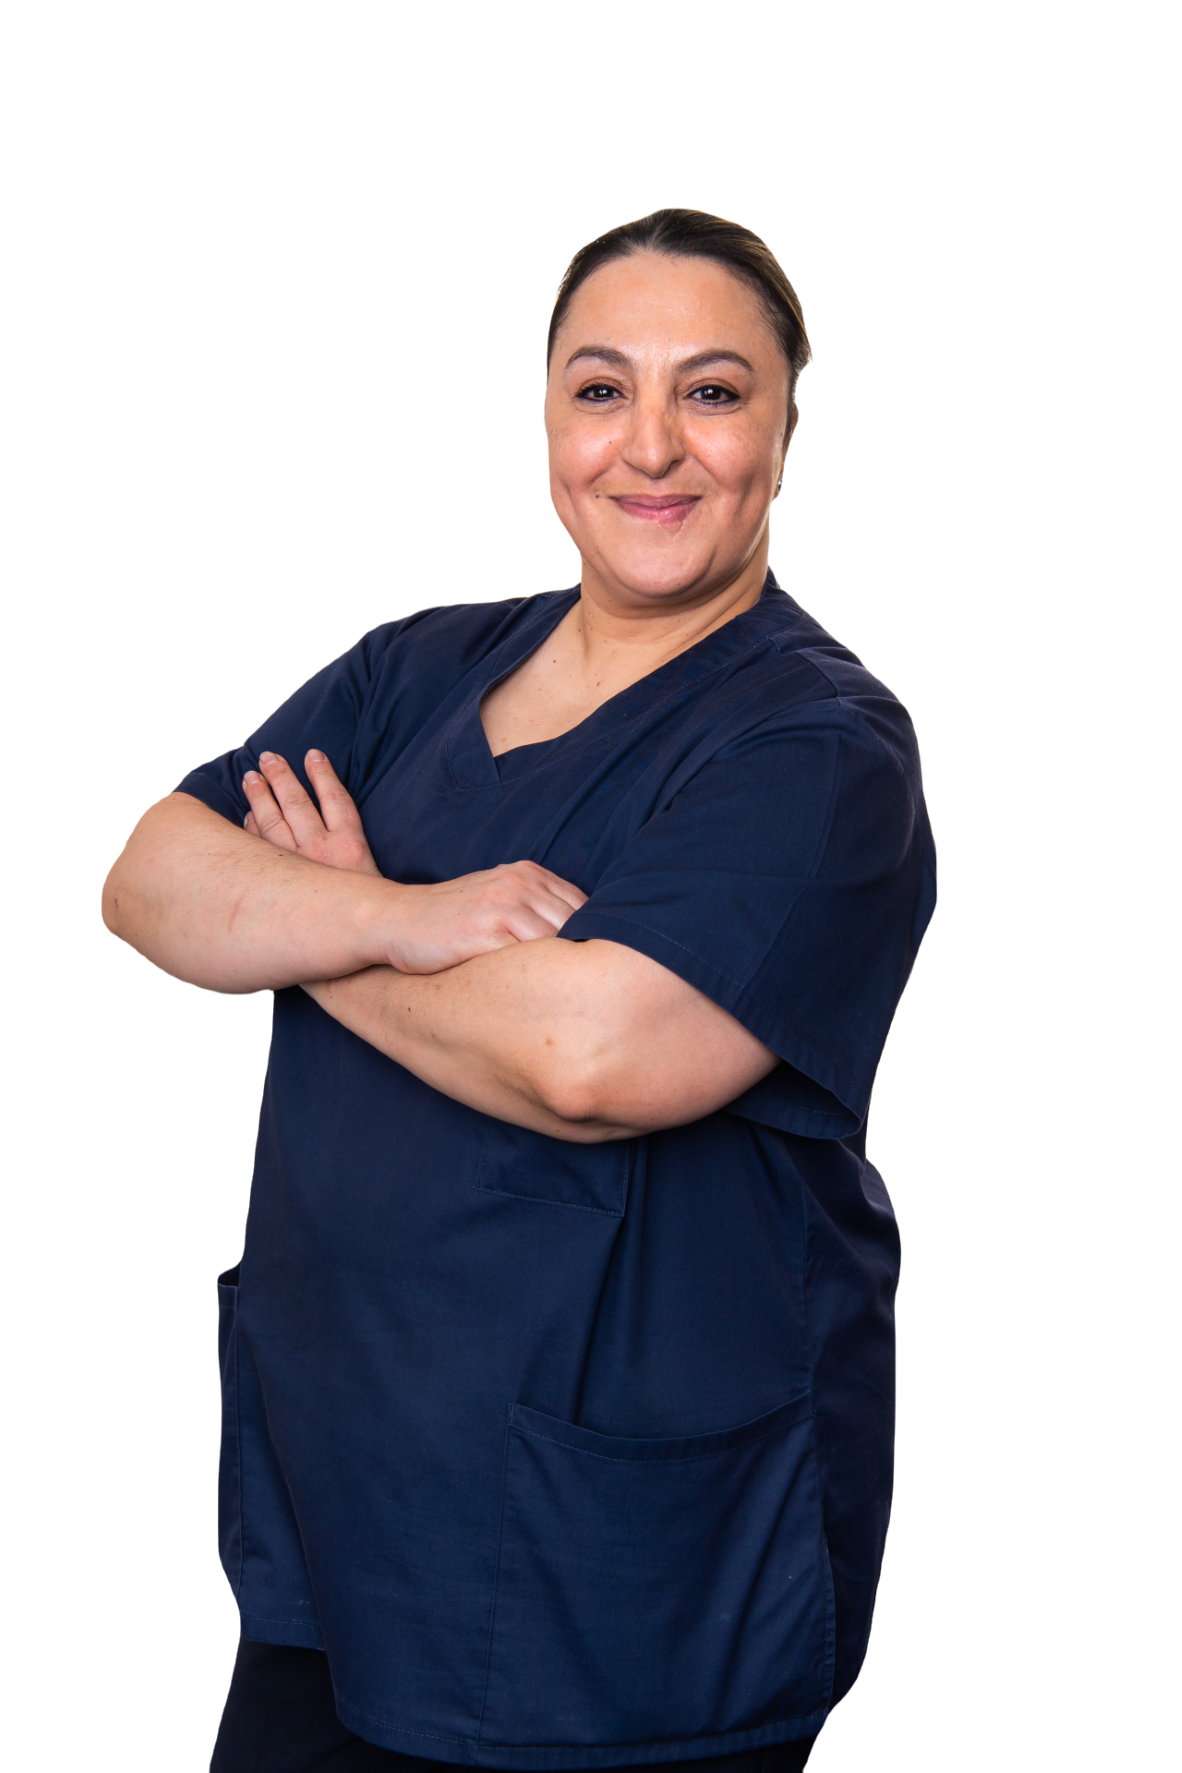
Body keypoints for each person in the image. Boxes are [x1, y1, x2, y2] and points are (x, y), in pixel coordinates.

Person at [102, 207, 936, 1772]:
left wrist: (310, 931)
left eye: (711, 391)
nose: (651, 447)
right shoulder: (414, 668)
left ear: (785, 424)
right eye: (600, 388)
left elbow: (591, 1057)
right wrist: (408, 917)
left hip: (617, 1569)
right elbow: (148, 880)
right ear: (547, 416)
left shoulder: (817, 746)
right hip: (339, 1507)